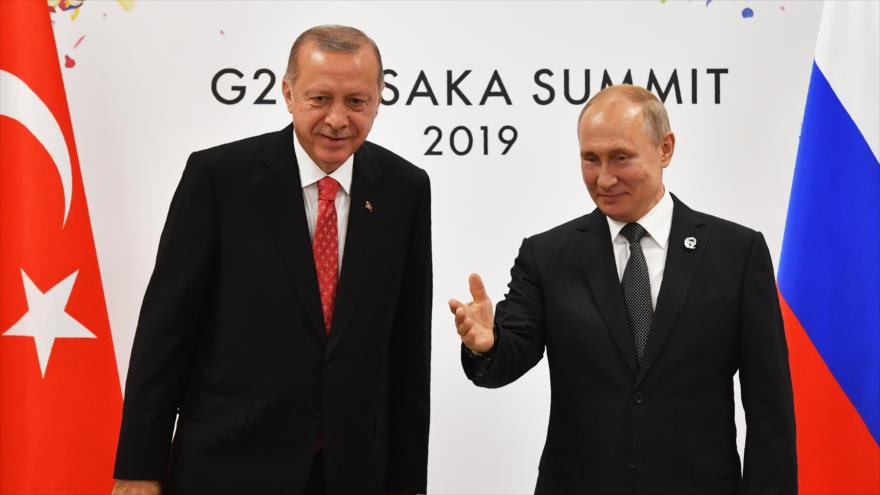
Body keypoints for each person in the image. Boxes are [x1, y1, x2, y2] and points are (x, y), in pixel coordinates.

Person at [113, 25, 431, 495]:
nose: (338, 119)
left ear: (380, 98)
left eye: (357, 102)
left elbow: (407, 354)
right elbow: (165, 333)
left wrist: (408, 484)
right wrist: (139, 468)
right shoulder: (218, 179)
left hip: (353, 472)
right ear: (287, 92)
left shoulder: (405, 188)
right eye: (320, 98)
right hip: (227, 469)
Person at [450, 85, 796, 494]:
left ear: (665, 149)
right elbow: (510, 355)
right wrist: (485, 345)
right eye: (590, 160)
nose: (604, 178)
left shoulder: (736, 253)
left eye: (620, 158)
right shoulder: (548, 255)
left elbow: (769, 406)